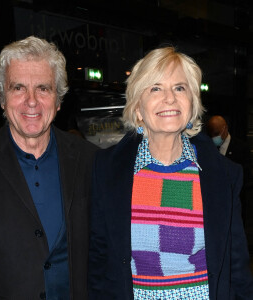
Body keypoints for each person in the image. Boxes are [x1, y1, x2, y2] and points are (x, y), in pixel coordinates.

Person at [88, 47, 253, 299]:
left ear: (192, 104)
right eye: (155, 88)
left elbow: (237, 267)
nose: (170, 98)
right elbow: (99, 262)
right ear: (138, 109)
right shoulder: (107, 171)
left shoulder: (224, 176)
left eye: (179, 88)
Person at [0, 36, 97, 299]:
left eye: (43, 88)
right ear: (2, 98)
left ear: (58, 100)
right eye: (18, 88)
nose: (31, 101)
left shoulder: (93, 160)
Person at [206, 115, 252, 224]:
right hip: (215, 205)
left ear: (225, 129)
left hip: (235, 203)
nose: (214, 137)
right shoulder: (209, 149)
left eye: (217, 133)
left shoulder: (241, 148)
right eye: (212, 134)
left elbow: (247, 177)